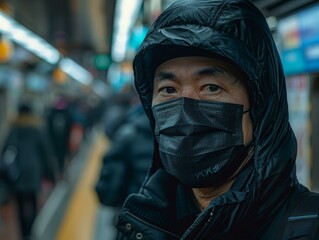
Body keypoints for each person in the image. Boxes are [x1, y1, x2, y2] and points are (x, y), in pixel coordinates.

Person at [115, 0, 319, 239]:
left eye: (211, 87)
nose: (185, 110)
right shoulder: (140, 222)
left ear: (261, 108)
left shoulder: (310, 227)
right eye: (168, 90)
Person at [1, 103, 57, 240]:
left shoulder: (14, 129)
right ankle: (30, 231)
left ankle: (23, 231)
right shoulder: (37, 129)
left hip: (17, 173)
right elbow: (46, 153)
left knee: (20, 204)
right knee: (32, 201)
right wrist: (50, 174)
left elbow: (5, 152)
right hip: (33, 172)